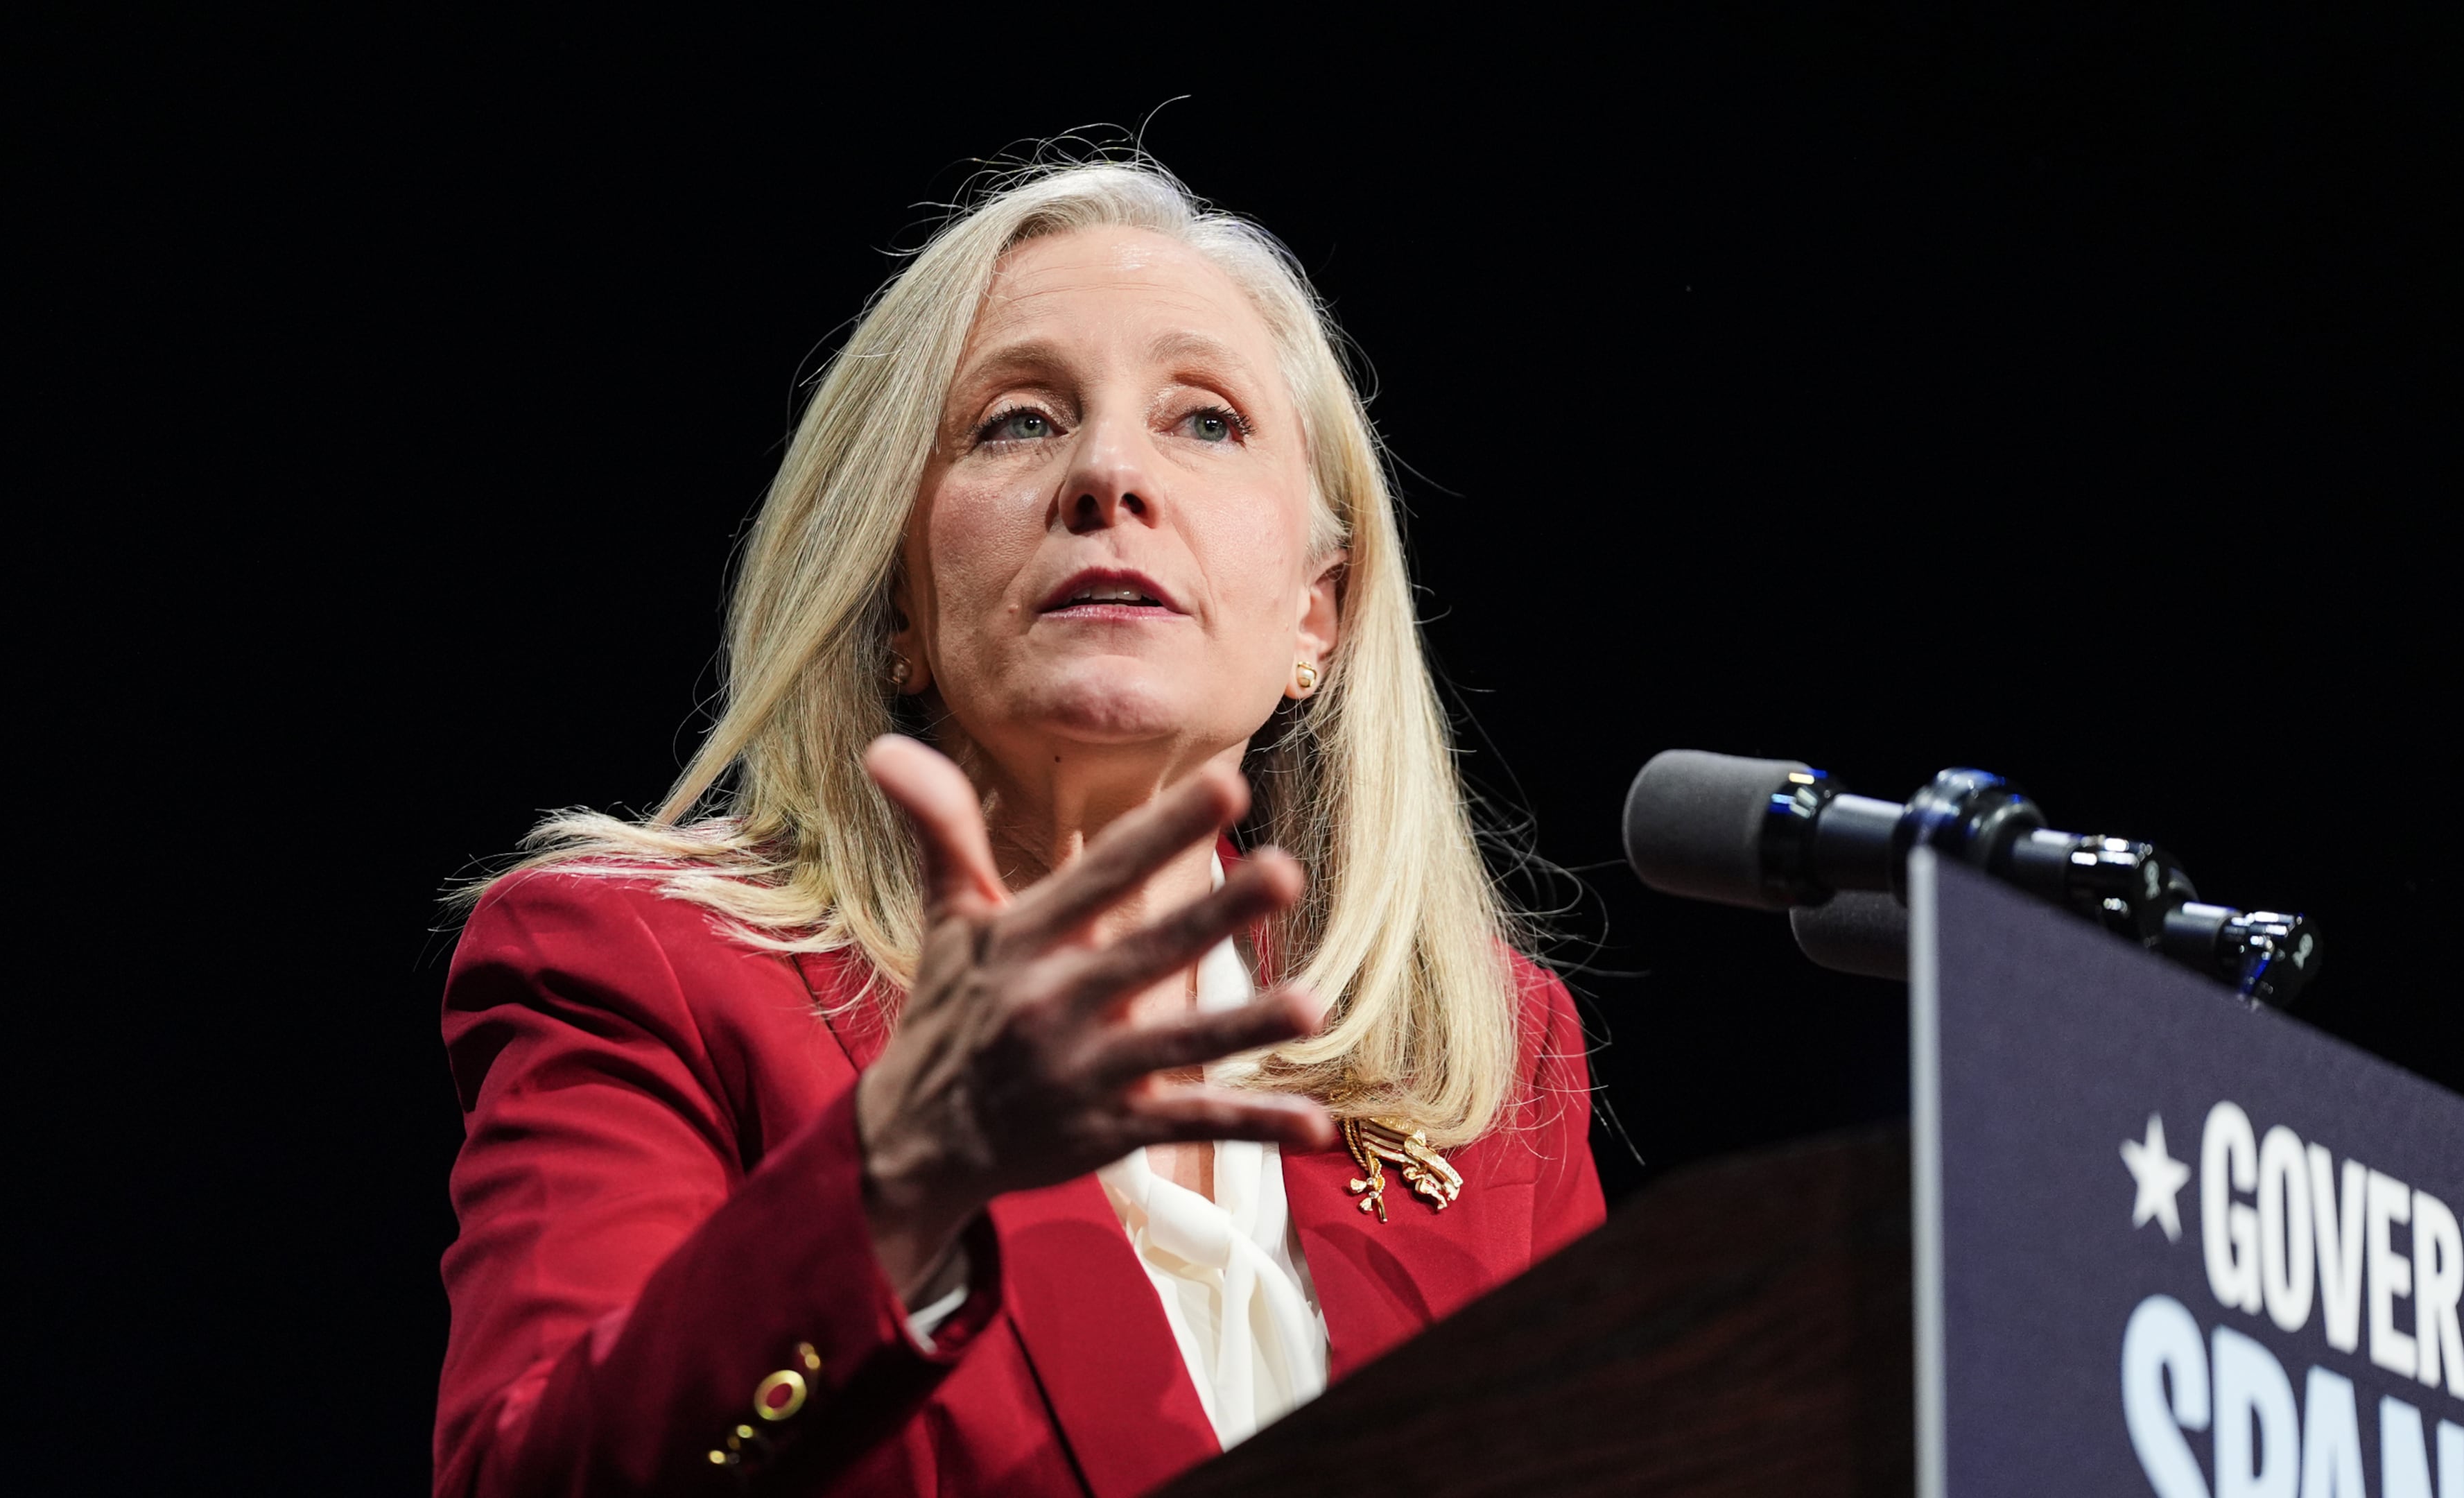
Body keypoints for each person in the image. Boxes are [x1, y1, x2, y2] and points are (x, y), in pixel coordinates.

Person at [434, 156, 1603, 1498]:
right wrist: (900, 1179)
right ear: (897, 610)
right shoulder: (649, 972)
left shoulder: (1480, 1058)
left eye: (1207, 421)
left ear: (1315, 618)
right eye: (1016, 422)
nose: (1109, 473)